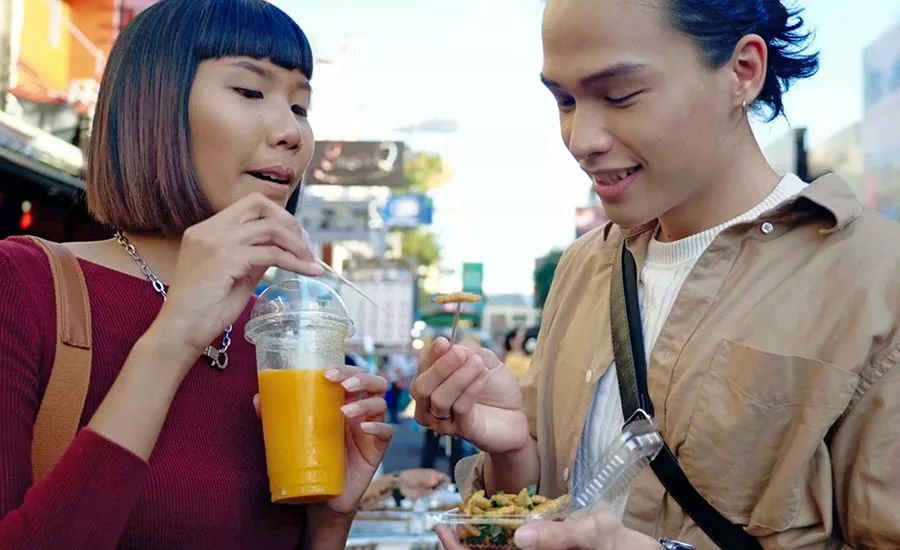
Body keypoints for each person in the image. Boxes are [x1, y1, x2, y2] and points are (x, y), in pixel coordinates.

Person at [412, 0, 900, 549]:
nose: (581, 139)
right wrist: (512, 453)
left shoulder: (876, 278)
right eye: (564, 100)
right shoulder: (584, 265)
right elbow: (545, 509)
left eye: (619, 95)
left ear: (744, 71)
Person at [0, 1, 392, 548]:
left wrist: (329, 521)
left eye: (301, 105)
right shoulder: (23, 285)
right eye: (251, 92)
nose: (291, 133)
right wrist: (173, 336)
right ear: (152, 106)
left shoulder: (280, 330)